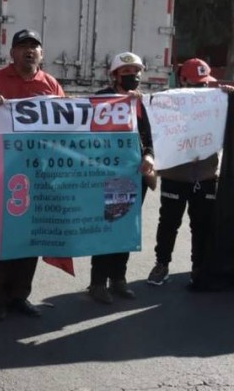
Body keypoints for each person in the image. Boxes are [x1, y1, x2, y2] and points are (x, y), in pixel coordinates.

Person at [0, 28, 65, 321]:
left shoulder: (51, 85)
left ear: (41, 54)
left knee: (28, 239)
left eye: (34, 47)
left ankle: (20, 296)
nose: (29, 51)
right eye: (22, 47)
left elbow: (70, 124)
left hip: (36, 177)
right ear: (12, 54)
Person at [147, 58, 225, 288]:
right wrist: (135, 100)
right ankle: (162, 264)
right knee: (168, 223)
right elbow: (144, 108)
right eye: (196, 83)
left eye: (204, 84)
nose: (201, 89)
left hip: (206, 177)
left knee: (202, 225)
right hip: (175, 177)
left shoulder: (218, 103)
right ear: (182, 80)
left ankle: (198, 267)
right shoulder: (166, 101)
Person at [87, 51, 155, 304]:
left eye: (136, 72)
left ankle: (118, 279)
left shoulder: (142, 103)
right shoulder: (103, 99)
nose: (133, 76)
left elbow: (150, 136)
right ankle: (97, 282)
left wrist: (149, 155)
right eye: (126, 73)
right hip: (110, 175)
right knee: (109, 228)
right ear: (115, 76)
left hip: (135, 175)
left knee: (126, 228)